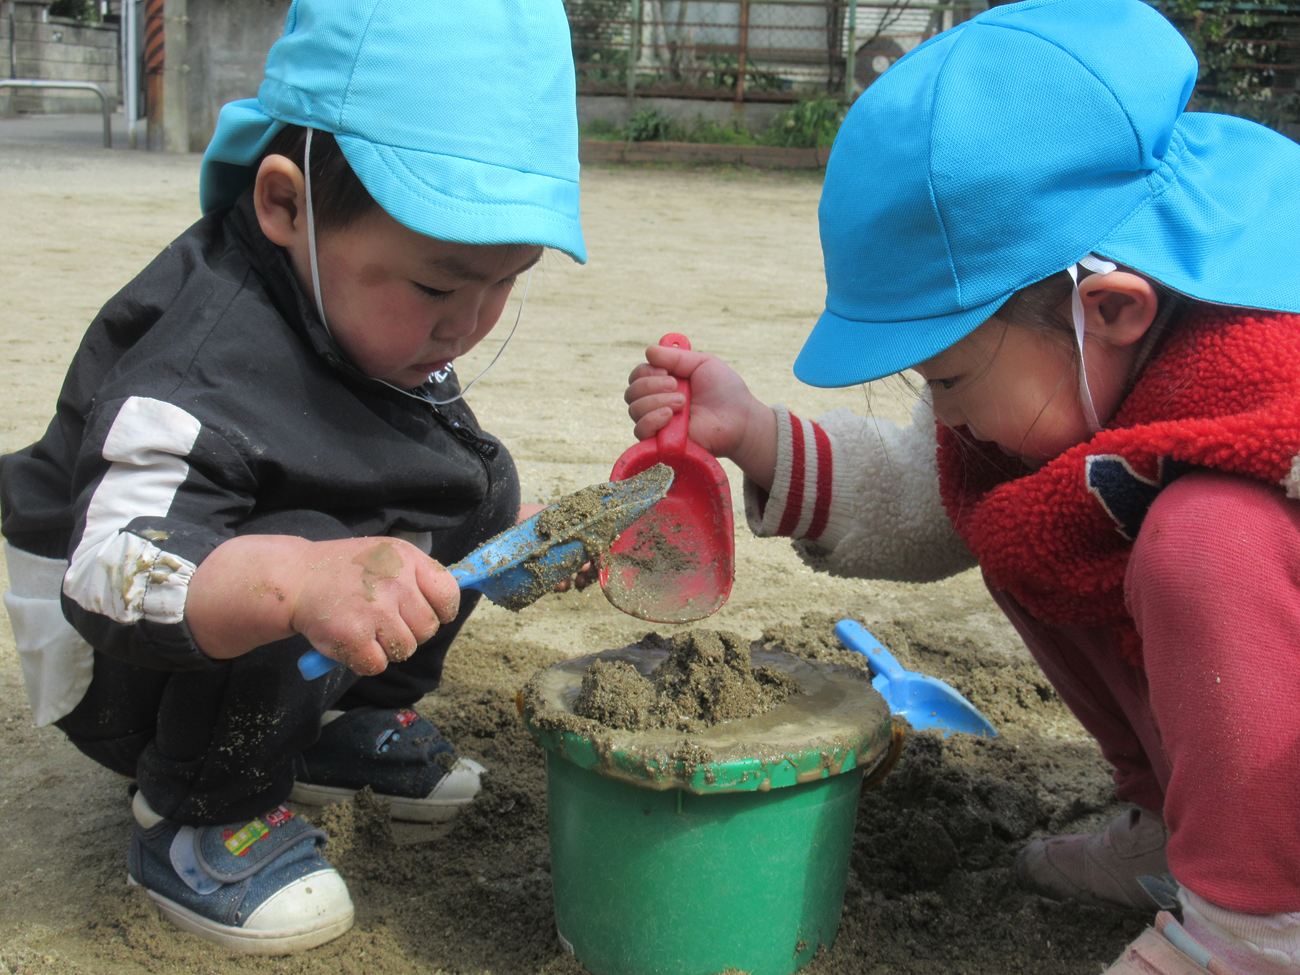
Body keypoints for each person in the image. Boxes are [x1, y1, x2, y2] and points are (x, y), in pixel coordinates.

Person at [624, 1, 1300, 972]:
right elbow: (927, 491)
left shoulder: (1266, 364)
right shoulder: (1071, 359)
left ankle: (1255, 924)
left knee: (1208, 537)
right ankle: (1177, 824)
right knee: (1024, 514)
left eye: (944, 379)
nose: (937, 413)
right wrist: (758, 437)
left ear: (1107, 307)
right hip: (1238, 774)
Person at [0, 0, 585, 955]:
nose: (466, 324)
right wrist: (299, 582)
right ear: (285, 204)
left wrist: (512, 547)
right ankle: (194, 809)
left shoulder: (357, 301)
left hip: (226, 565)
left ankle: (336, 723)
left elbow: (427, 472)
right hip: (113, 648)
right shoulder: (202, 363)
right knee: (309, 548)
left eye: (506, 280)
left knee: (475, 484)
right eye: (438, 285)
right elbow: (106, 566)